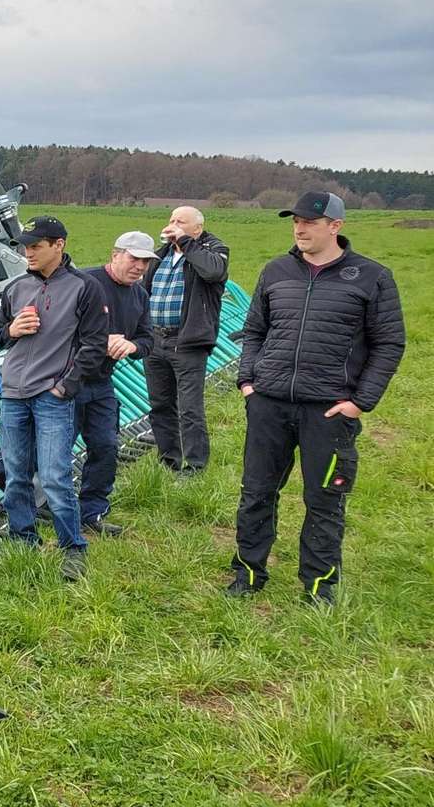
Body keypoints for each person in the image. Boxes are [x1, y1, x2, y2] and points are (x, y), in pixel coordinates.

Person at [228, 191, 404, 605]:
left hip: (329, 410)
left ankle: (319, 585)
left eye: (309, 222)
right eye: (295, 221)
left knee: (324, 499)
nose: (300, 228)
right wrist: (248, 382)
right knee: (256, 492)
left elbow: (389, 344)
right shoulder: (276, 271)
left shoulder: (371, 277)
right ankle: (248, 574)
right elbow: (254, 331)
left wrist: (360, 402)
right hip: (269, 403)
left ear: (336, 227)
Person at [0, 215, 109, 581]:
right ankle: (23, 540)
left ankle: (72, 548)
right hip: (12, 395)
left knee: (55, 476)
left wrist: (64, 387)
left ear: (59, 245)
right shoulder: (15, 289)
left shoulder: (84, 288)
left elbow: (94, 346)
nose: (28, 253)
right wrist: (10, 329)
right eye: (25, 246)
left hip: (51, 395)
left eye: (36, 246)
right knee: (16, 475)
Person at [75, 231, 157, 534]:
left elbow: (148, 338)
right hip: (68, 378)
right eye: (134, 258)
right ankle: (7, 485)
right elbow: (56, 329)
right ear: (115, 254)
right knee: (53, 447)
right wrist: (99, 340)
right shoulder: (84, 282)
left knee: (106, 445)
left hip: (102, 382)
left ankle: (92, 511)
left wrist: (133, 347)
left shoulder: (139, 296)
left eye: (146, 262)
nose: (139, 267)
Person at [141, 205, 229, 474]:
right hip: (156, 340)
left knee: (190, 409)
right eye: (171, 220)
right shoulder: (161, 254)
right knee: (160, 404)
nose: (173, 224)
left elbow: (213, 272)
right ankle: (168, 461)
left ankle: (195, 466)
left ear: (197, 229)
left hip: (187, 342)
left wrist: (186, 243)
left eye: (181, 221)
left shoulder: (214, 250)